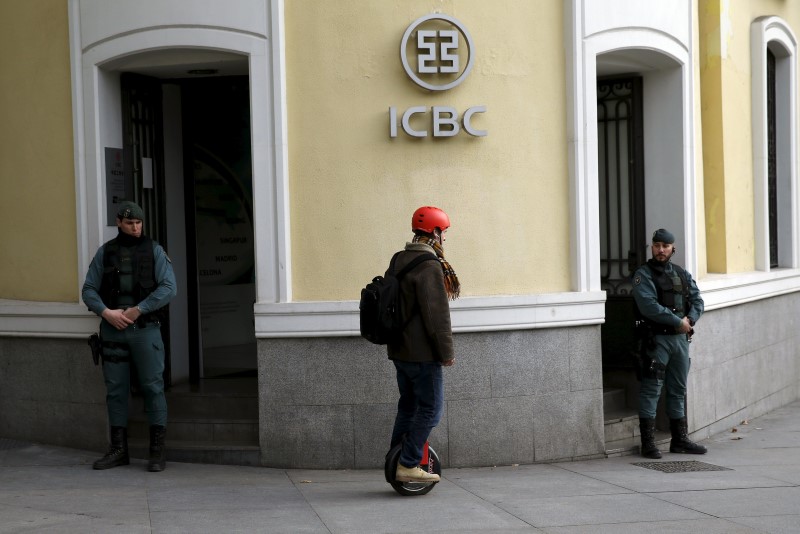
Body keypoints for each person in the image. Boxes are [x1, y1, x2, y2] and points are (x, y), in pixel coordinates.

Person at [82, 201, 177, 472]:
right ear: (119, 223)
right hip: (112, 329)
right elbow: (88, 289)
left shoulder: (154, 250)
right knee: (115, 390)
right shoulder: (106, 252)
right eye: (129, 223)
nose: (135, 228)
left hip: (144, 329)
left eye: (139, 223)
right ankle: (118, 450)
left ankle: (157, 451)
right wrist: (106, 313)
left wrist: (138, 310)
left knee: (152, 386)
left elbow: (170, 287)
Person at [388, 206, 460, 483]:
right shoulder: (430, 265)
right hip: (422, 354)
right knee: (431, 410)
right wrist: (447, 353)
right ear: (436, 231)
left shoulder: (399, 259)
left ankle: (395, 457)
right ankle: (407, 463)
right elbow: (436, 316)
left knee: (408, 406)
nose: (445, 238)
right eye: (444, 232)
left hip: (399, 351)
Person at [632, 228, 706, 459]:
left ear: (673, 248)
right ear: (652, 248)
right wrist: (679, 321)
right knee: (651, 389)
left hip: (680, 341)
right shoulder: (643, 275)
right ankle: (648, 443)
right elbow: (649, 306)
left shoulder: (682, 274)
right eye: (656, 246)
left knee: (678, 389)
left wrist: (690, 319)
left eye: (665, 246)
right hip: (657, 341)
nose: (660, 250)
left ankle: (680, 440)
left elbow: (697, 300)